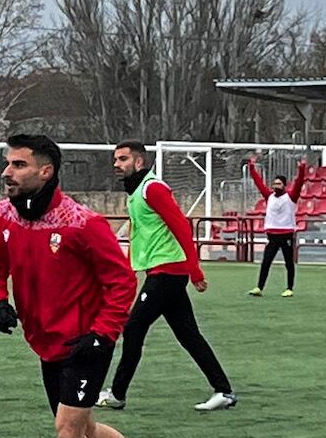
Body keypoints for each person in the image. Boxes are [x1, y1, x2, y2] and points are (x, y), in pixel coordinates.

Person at [0, 133, 178, 438]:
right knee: (83, 431)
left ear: (45, 171)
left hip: (87, 342)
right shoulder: (0, 217)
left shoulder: (82, 223)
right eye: (8, 164)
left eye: (18, 165)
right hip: (45, 340)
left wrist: (103, 334)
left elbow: (121, 282)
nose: (7, 172)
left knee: (68, 433)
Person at [101, 141, 236, 413]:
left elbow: (182, 228)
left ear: (138, 162)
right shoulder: (138, 191)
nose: (117, 164)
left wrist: (194, 270)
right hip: (162, 271)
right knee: (188, 334)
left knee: (134, 327)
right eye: (115, 159)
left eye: (123, 159)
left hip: (168, 272)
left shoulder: (153, 188)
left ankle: (117, 394)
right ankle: (224, 391)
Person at [247, 157, 309, 296]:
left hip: (286, 234)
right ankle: (259, 287)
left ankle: (289, 288)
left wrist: (301, 169)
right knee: (266, 262)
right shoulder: (269, 196)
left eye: (279, 183)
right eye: (274, 183)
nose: (275, 185)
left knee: (289, 263)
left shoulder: (291, 197)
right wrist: (252, 168)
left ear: (284, 185)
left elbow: (299, 183)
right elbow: (259, 183)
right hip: (272, 236)